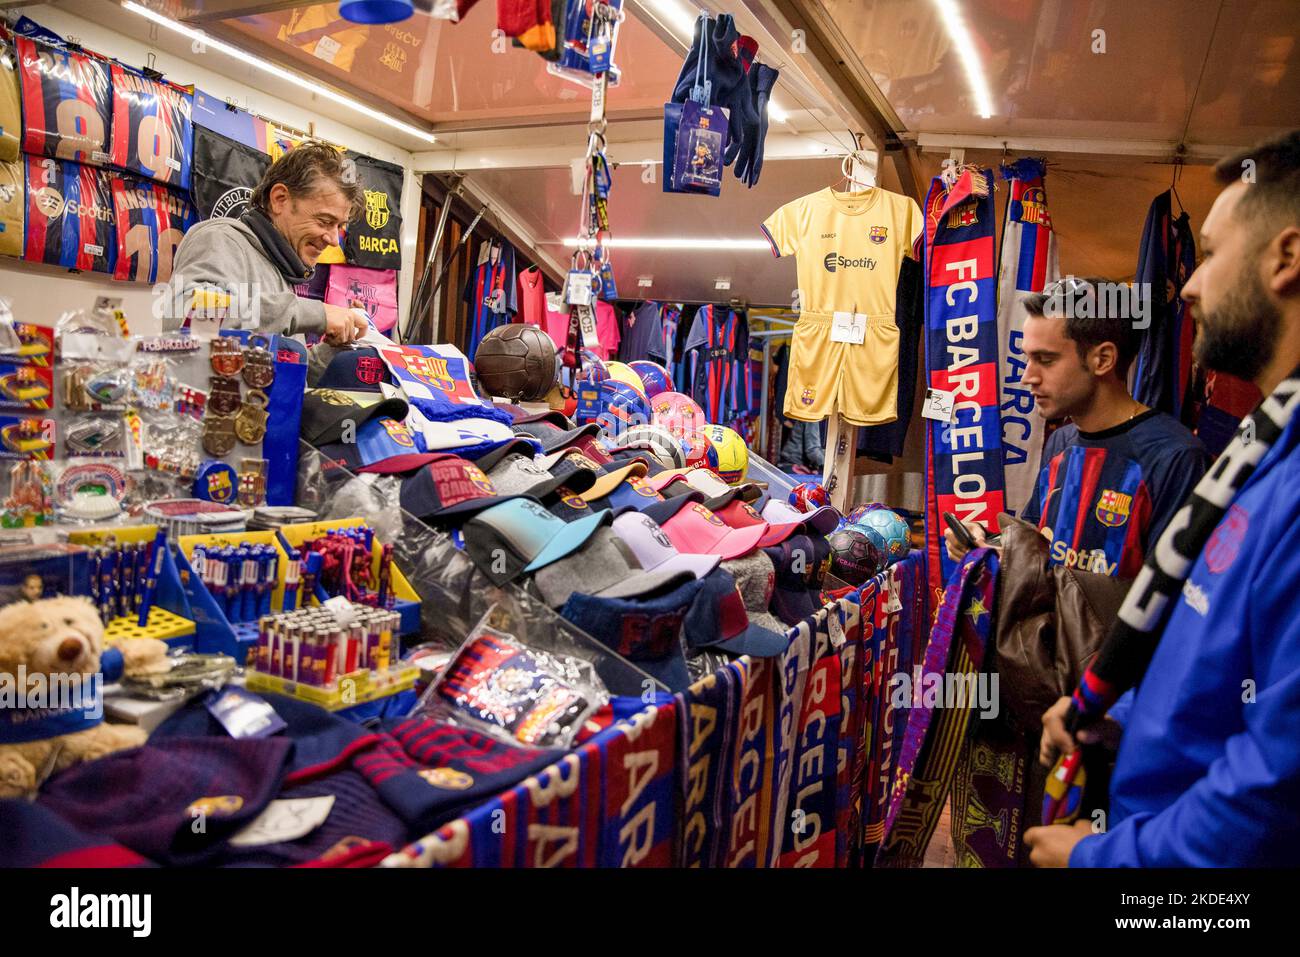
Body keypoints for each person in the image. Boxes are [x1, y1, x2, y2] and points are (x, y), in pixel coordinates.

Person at [1026, 129, 1300, 866]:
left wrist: (1104, 861)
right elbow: (1207, 657)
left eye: (1210, 255)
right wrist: (1110, 711)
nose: (1187, 285)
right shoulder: (1260, 454)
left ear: (1287, 257)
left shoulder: (1238, 467)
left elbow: (1277, 788)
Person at [944, 277, 1208, 579]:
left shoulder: (1175, 457)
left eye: (1045, 359)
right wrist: (987, 542)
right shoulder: (1061, 442)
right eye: (1028, 358)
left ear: (1103, 359)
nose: (1028, 377)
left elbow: (1166, 598)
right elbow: (1039, 547)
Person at [165, 141, 368, 347]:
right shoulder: (220, 239)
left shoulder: (280, 271)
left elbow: (282, 369)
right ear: (280, 199)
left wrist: (336, 348)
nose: (334, 240)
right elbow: (190, 317)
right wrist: (315, 313)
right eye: (324, 222)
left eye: (339, 226)